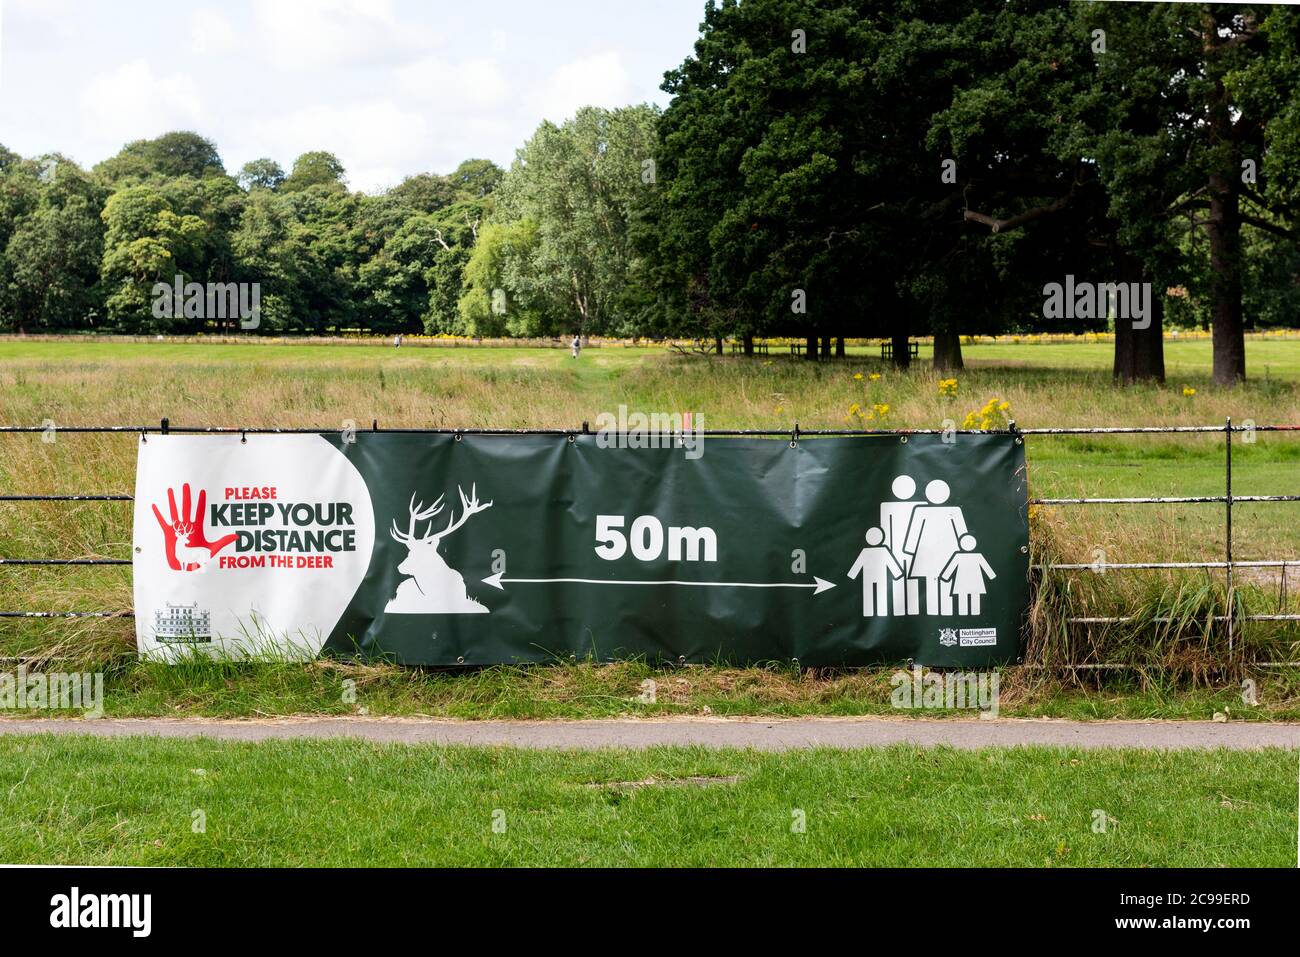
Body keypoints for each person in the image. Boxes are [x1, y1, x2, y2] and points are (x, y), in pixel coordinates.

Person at [902, 479, 968, 616]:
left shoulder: (954, 511)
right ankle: (935, 612)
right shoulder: (921, 511)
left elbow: (962, 533)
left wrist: (963, 548)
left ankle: (945, 611)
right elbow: (914, 532)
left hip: (946, 551)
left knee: (945, 580)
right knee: (933, 581)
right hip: (927, 553)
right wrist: (909, 550)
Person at [879, 474, 921, 615]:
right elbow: (886, 528)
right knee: (898, 581)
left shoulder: (920, 506)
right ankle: (899, 611)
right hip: (895, 549)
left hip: (917, 551)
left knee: (912, 579)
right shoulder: (887, 507)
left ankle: (911, 610)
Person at [847, 527, 904, 616]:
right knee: (879, 596)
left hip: (871, 578)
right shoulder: (879, 551)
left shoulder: (867, 552)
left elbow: (856, 568)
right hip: (876, 579)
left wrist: (852, 575)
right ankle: (879, 612)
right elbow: (893, 566)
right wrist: (897, 574)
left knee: (872, 596)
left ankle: (872, 612)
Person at [940, 535, 996, 615]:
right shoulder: (977, 556)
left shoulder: (959, 556)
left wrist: (945, 577)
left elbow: (949, 569)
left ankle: (967, 613)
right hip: (975, 583)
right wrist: (991, 576)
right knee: (974, 599)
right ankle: (974, 613)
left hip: (961, 583)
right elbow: (989, 571)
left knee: (964, 600)